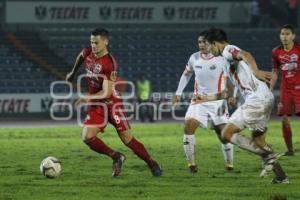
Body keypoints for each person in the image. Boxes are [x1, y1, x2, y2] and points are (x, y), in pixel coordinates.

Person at [65, 28, 162, 177]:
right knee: (87, 137)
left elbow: (107, 92)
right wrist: (73, 72)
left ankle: (151, 163)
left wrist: (86, 98)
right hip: (97, 105)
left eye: (96, 42)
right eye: (91, 42)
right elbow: (81, 56)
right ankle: (116, 156)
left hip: (112, 104)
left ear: (105, 42)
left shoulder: (110, 64)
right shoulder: (88, 53)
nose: (93, 46)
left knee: (127, 139)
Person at [203, 28, 288, 184]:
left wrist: (255, 72)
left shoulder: (228, 50)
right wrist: (228, 97)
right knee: (259, 143)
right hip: (264, 98)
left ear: (215, 43)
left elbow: (246, 54)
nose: (208, 49)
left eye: (208, 46)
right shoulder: (225, 60)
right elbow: (229, 86)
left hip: (257, 100)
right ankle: (281, 177)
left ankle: (267, 156)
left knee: (226, 134)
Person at [173, 31, 234, 173]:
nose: (201, 45)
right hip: (198, 100)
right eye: (199, 42)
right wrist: (178, 93)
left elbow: (230, 78)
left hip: (217, 101)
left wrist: (232, 95)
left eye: (204, 42)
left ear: (212, 43)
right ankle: (192, 165)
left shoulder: (221, 59)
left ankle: (230, 164)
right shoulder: (194, 58)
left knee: (223, 134)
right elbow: (186, 74)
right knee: (188, 126)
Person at [270, 24, 300, 156]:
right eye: (282, 34)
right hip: (285, 89)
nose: (285, 37)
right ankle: (290, 149)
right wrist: (270, 89)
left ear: (293, 36)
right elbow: (275, 71)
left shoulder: (299, 49)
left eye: (287, 34)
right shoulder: (276, 51)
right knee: (284, 119)